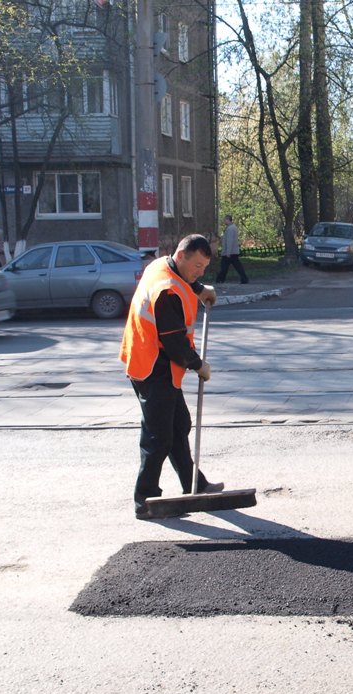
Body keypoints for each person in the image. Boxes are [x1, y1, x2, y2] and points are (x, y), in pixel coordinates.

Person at [119, 234, 223, 520]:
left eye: (204, 267)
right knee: (159, 436)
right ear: (181, 256)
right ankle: (145, 499)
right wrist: (199, 365)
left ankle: (196, 484)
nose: (199, 271)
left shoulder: (161, 266)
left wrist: (199, 288)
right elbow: (176, 344)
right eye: (197, 266)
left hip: (156, 362)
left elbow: (181, 278)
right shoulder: (167, 291)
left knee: (179, 425)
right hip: (152, 367)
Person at [217, 214, 248, 284]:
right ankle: (244, 279)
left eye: (225, 220)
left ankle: (220, 280)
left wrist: (228, 252)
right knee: (236, 266)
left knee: (224, 267)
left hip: (229, 252)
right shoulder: (233, 227)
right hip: (233, 252)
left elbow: (229, 240)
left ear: (228, 220)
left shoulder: (230, 229)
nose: (224, 221)